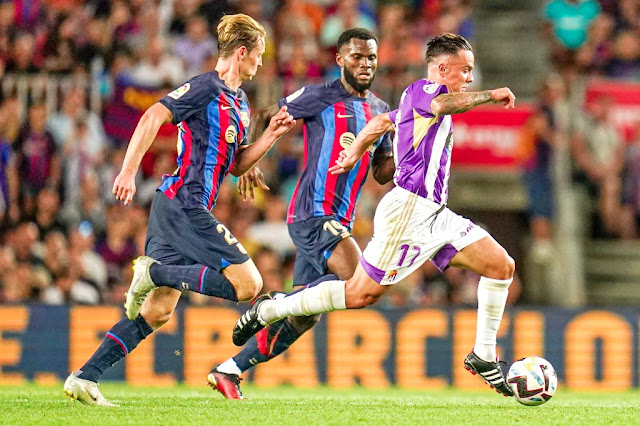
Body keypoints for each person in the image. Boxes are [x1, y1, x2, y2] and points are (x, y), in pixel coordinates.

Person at [233, 32, 517, 397]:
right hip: (409, 211)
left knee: (501, 266)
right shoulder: (423, 91)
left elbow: (382, 123)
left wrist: (356, 152)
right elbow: (446, 106)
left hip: (437, 214)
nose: (469, 78)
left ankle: (483, 355)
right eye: (465, 71)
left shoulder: (406, 105)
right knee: (360, 294)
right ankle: (271, 309)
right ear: (442, 68)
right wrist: (490, 96)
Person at [63, 14, 296, 406]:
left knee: (157, 311)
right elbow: (154, 114)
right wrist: (128, 169)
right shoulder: (207, 87)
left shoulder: (240, 102)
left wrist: (270, 135)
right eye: (257, 55)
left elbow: (236, 164)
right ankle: (153, 272)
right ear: (242, 53)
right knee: (250, 285)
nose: (261, 63)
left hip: (180, 208)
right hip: (183, 203)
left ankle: (85, 377)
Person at [210, 28, 395, 399]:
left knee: (304, 315)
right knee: (363, 283)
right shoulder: (319, 96)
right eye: (357, 56)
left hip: (338, 219)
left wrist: (403, 154)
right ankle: (271, 305)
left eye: (371, 57)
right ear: (340, 59)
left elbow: (382, 171)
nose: (365, 63)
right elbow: (265, 115)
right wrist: (249, 160)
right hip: (312, 212)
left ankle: (229, 369)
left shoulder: (380, 110)